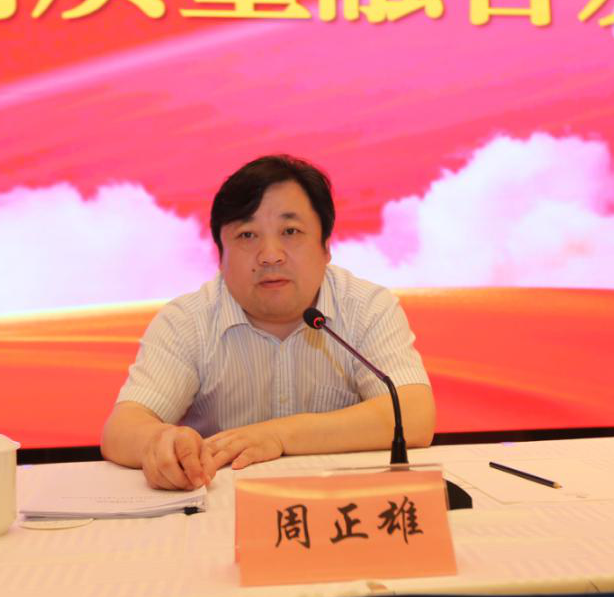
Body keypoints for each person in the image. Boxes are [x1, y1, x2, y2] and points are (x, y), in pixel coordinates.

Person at [100, 155, 435, 489]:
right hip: (221, 507)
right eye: (247, 235)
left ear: (325, 247)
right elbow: (122, 429)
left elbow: (414, 414)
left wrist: (279, 435)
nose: (270, 255)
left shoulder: (366, 307)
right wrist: (160, 443)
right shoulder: (187, 321)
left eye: (291, 231)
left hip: (337, 503)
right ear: (220, 256)